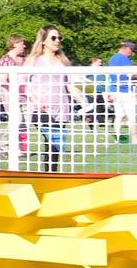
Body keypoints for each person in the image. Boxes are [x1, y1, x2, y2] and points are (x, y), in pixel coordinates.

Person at [23, 26, 89, 172]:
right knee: (51, 139)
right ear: (44, 41)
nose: (57, 41)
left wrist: (84, 103)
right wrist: (36, 101)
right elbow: (24, 85)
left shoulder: (63, 61)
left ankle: (51, 173)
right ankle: (50, 173)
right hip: (41, 109)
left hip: (61, 108)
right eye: (53, 38)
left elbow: (70, 85)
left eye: (59, 38)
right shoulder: (34, 60)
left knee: (56, 144)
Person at [0, 34, 29, 164]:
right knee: (16, 121)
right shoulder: (5, 60)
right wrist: (7, 99)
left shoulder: (23, 60)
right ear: (14, 44)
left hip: (24, 97)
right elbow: (2, 81)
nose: (24, 45)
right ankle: (4, 147)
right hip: (10, 96)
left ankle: (17, 148)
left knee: (24, 123)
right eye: (22, 43)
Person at [104, 41, 137, 145]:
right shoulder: (124, 59)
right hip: (125, 91)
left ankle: (118, 139)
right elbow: (130, 74)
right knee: (132, 116)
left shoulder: (112, 58)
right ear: (127, 48)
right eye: (132, 51)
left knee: (118, 116)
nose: (132, 53)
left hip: (115, 91)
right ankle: (134, 140)